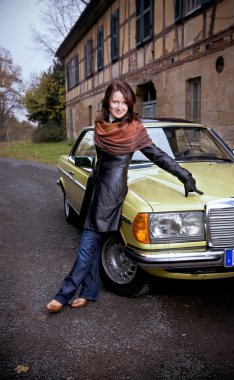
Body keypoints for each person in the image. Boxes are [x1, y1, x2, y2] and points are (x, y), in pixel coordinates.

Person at [46, 80, 203, 313]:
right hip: (95, 187)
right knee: (93, 240)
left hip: (111, 192)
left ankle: (64, 294)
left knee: (87, 243)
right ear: (107, 103)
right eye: (115, 101)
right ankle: (89, 292)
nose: (119, 107)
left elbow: (158, 155)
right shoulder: (100, 125)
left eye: (124, 103)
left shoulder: (135, 130)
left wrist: (185, 176)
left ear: (130, 104)